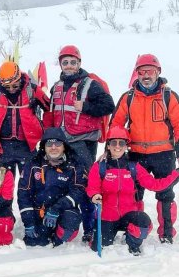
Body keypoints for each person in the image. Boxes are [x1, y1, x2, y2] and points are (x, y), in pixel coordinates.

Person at [43, 45, 114, 242]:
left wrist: (86, 106)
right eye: (65, 62)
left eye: (73, 62)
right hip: (63, 142)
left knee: (86, 183)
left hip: (84, 141)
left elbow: (109, 105)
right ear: (60, 64)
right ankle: (68, 220)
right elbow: (51, 113)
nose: (69, 66)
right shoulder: (56, 86)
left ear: (79, 63)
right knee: (66, 183)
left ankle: (90, 227)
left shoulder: (90, 84)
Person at [110, 54, 179, 243]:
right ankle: (134, 228)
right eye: (142, 71)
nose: (146, 75)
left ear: (158, 72)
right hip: (136, 154)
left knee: (165, 194)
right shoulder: (128, 97)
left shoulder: (169, 96)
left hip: (164, 154)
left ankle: (166, 233)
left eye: (150, 71)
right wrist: (115, 148)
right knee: (133, 193)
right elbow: (116, 125)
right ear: (136, 74)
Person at [86, 126, 179, 255]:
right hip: (107, 215)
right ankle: (99, 233)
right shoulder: (100, 166)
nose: (117, 146)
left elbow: (155, 185)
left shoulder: (133, 167)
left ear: (126, 146)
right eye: (113, 142)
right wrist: (95, 195)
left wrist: (175, 174)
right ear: (108, 145)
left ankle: (131, 242)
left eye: (121, 143)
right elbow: (92, 187)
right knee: (99, 246)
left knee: (143, 223)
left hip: (128, 214)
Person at [17, 128, 87, 247]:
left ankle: (58, 242)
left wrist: (55, 209)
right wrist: (29, 222)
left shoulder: (75, 165)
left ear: (64, 146)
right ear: (44, 147)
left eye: (58, 143)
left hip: (61, 212)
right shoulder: (33, 164)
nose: (53, 147)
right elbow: (23, 194)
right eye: (49, 143)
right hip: (40, 213)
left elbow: (78, 192)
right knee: (36, 242)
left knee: (71, 221)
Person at [0, 61, 49, 176]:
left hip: (27, 145)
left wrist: (45, 130)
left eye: (15, 85)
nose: (11, 89)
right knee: (4, 183)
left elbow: (49, 109)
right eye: (7, 86)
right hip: (3, 144)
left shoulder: (33, 90)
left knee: (29, 182)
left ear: (20, 78)